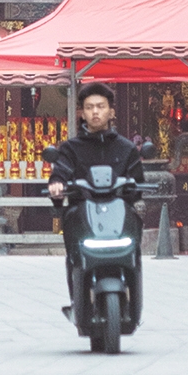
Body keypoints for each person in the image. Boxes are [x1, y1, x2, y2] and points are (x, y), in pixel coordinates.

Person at [48, 82, 145, 308]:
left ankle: (133, 292)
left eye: (100, 106)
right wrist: (56, 185)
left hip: (118, 212)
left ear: (111, 111)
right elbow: (60, 172)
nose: (95, 112)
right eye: (89, 107)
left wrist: (132, 190)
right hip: (82, 212)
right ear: (82, 113)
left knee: (134, 234)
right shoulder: (70, 148)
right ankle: (77, 298)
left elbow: (138, 183)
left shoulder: (126, 148)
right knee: (73, 247)